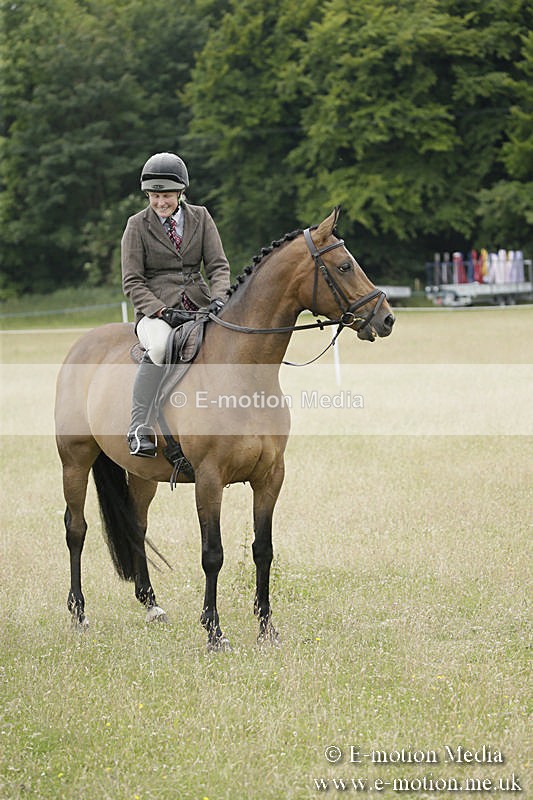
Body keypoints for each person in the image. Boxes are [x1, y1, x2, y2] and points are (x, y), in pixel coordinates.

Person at [121, 152, 231, 457]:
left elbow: (219, 267)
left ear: (181, 193)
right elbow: (132, 280)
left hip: (199, 306)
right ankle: (139, 426)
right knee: (159, 347)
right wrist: (159, 309)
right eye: (154, 196)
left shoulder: (202, 217)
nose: (160, 203)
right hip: (156, 313)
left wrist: (219, 297)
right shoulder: (136, 225)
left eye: (166, 196)